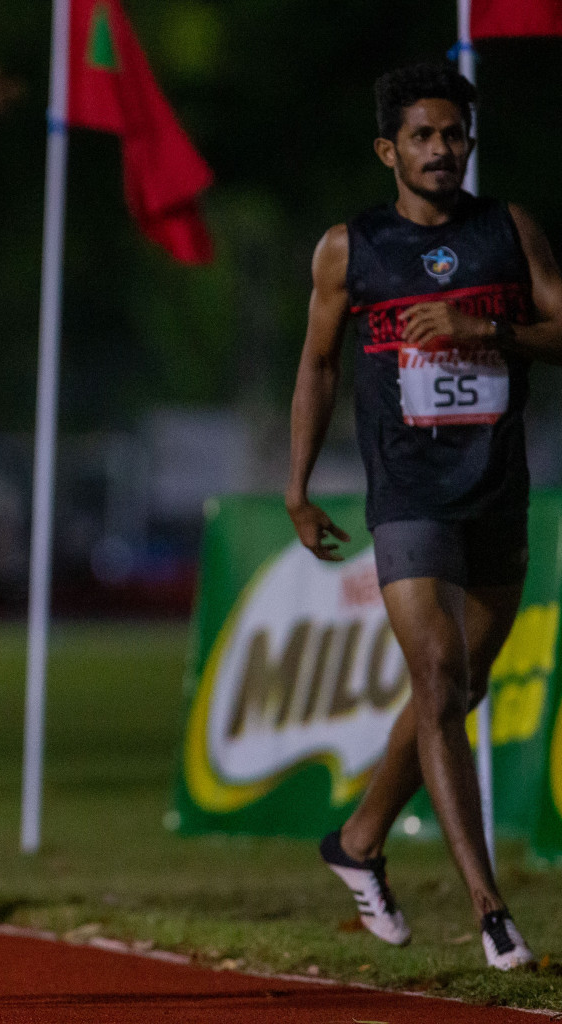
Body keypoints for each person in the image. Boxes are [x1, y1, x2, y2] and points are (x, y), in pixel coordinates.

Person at [287, 61, 562, 970]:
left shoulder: (508, 230)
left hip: (496, 492)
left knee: (459, 688)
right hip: (406, 494)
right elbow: (319, 364)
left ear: (469, 143)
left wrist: (489, 331)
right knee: (438, 674)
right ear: (388, 150)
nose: (441, 150)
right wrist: (297, 483)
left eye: (453, 135)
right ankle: (489, 906)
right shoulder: (349, 248)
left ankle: (357, 841)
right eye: (422, 136)